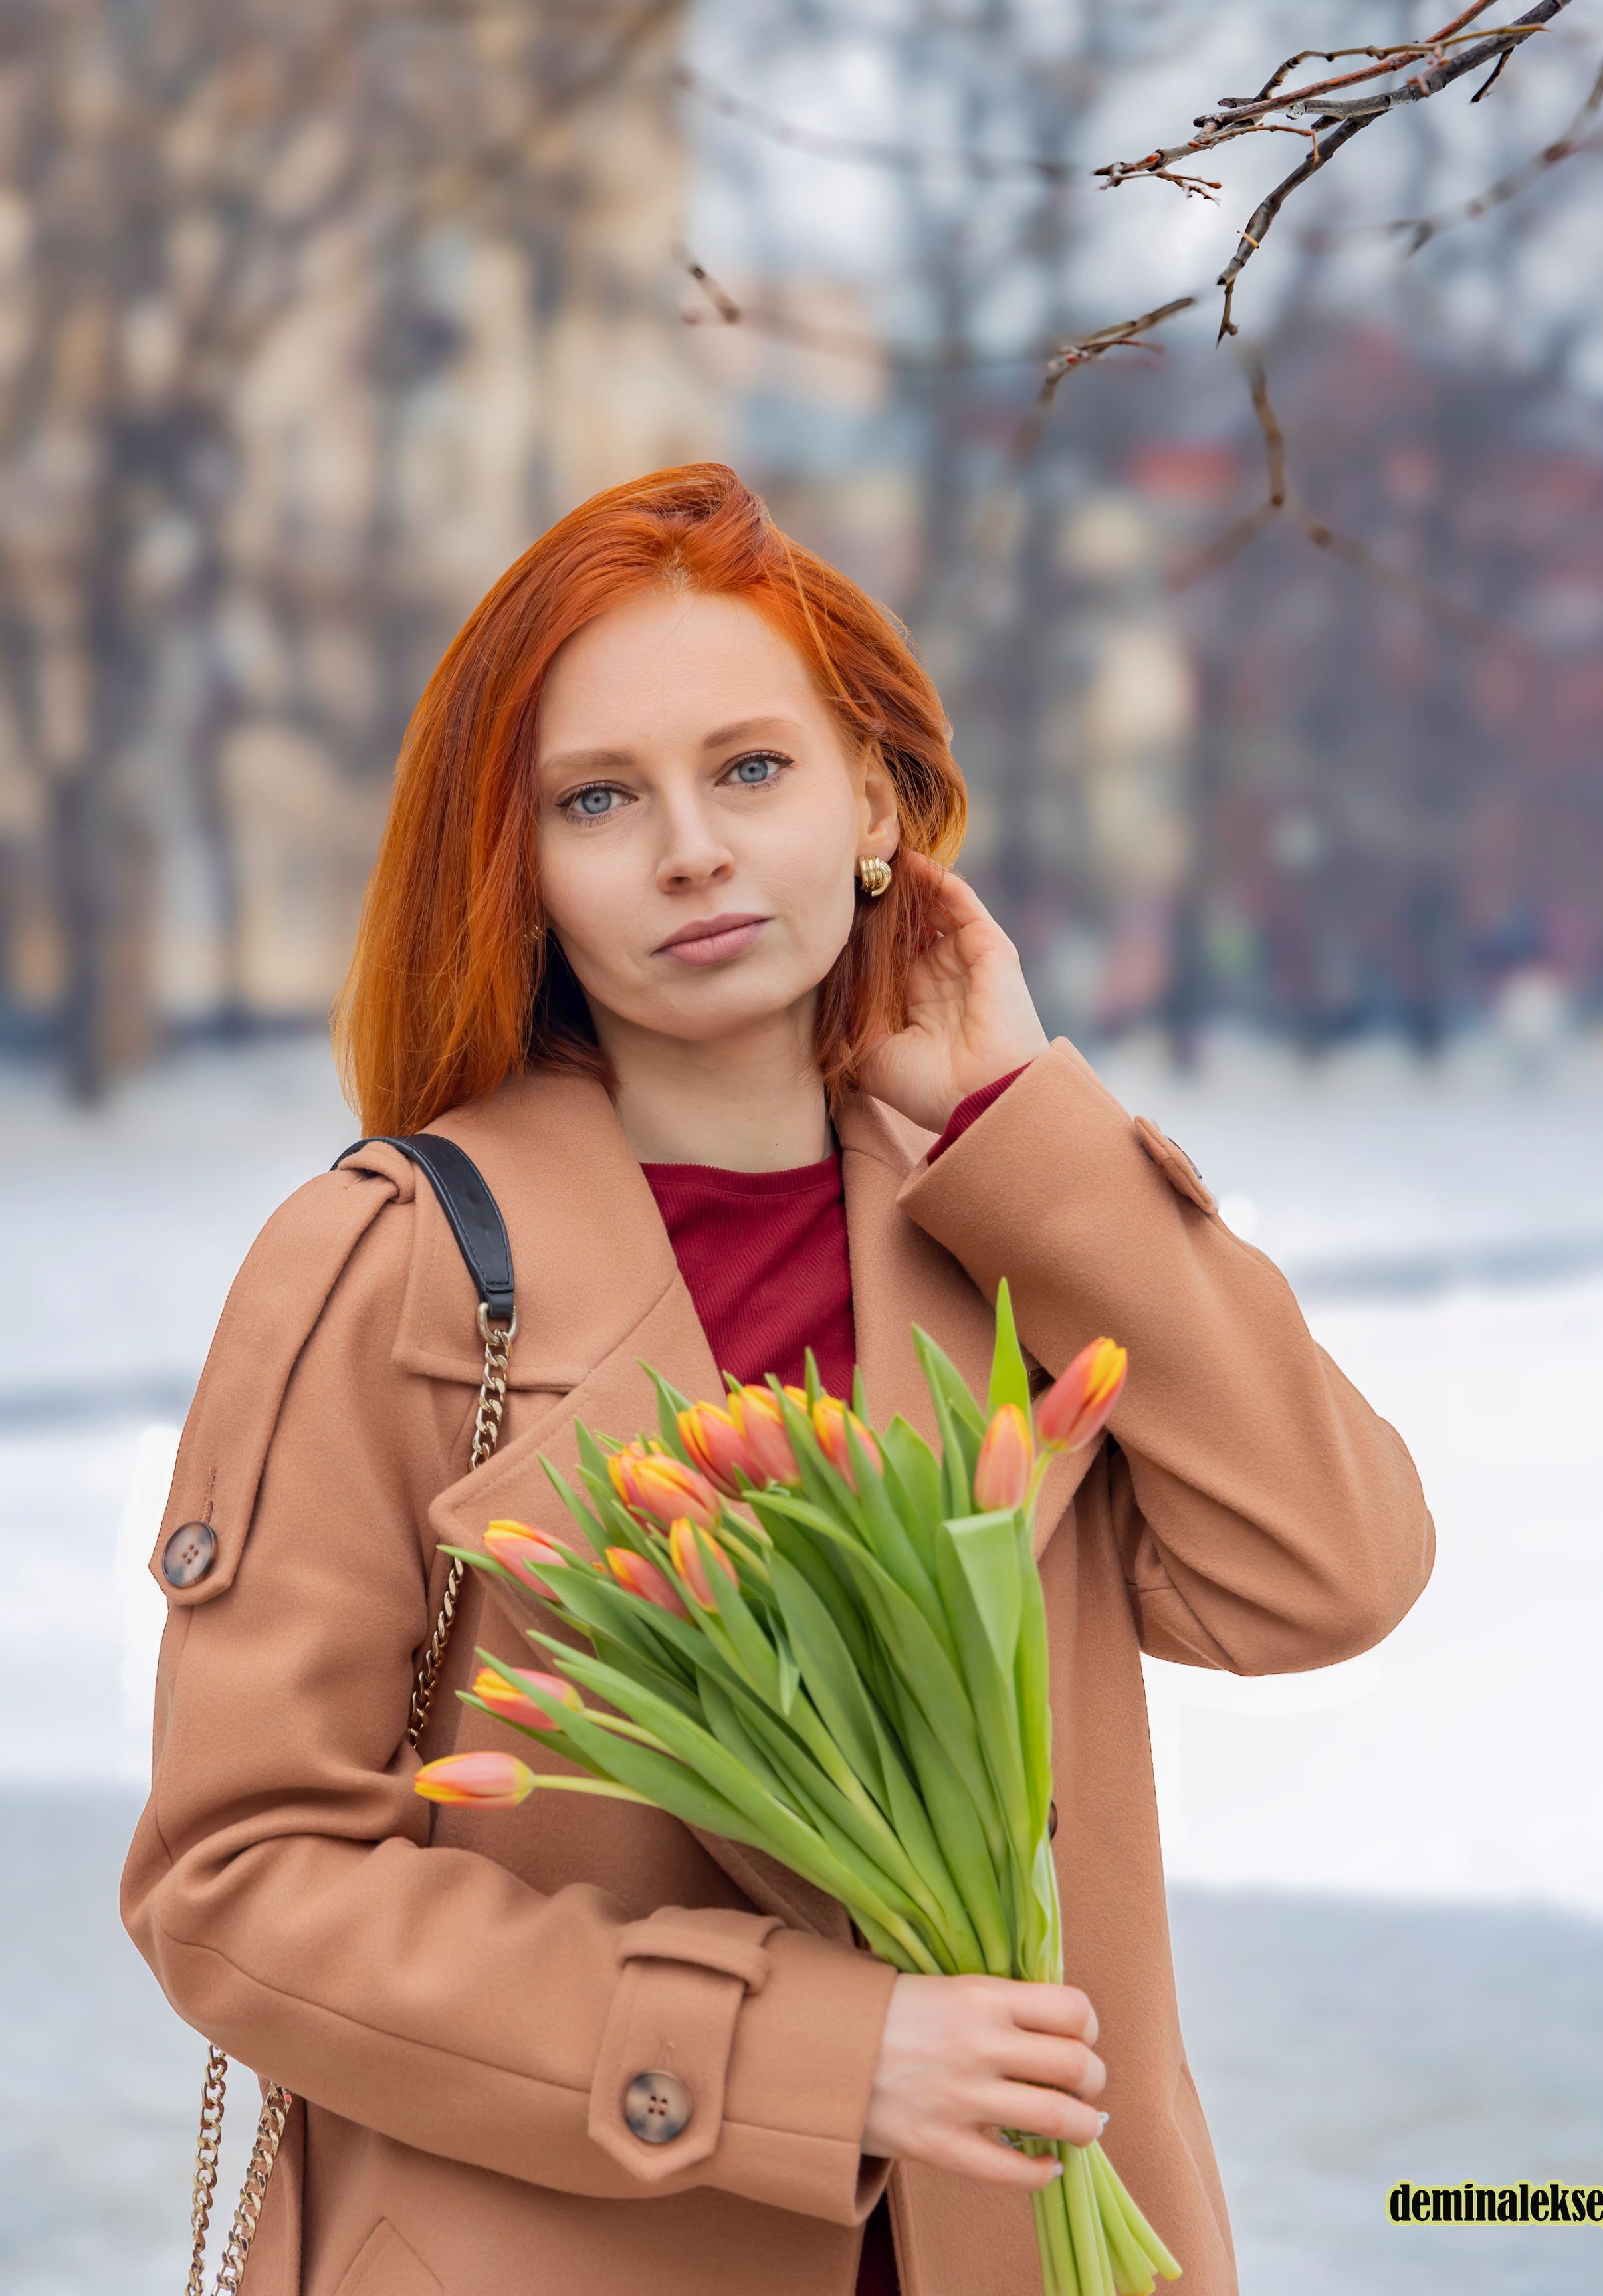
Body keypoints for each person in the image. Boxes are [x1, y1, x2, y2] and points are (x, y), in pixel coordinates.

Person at [123, 463, 1434, 2296]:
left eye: (753, 769)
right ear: (529, 872)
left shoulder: (1007, 1239)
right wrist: (808, 2060)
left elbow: (1329, 1574)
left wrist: (1027, 1129)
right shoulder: (406, 1262)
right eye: (601, 799)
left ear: (876, 802)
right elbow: (239, 1882)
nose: (690, 850)